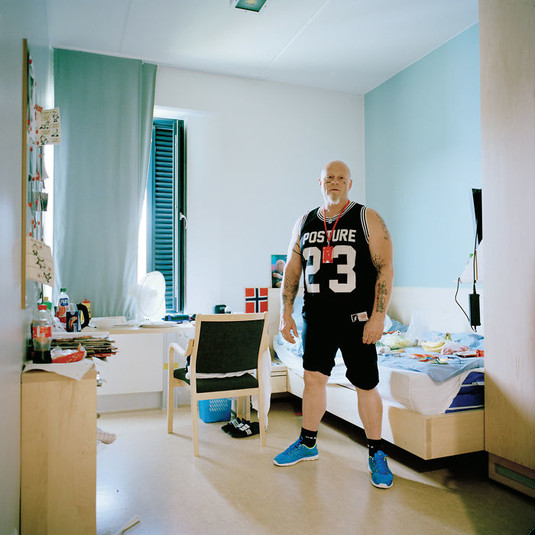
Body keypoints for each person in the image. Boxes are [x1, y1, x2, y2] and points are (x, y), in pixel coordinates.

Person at [273, 160, 395, 489]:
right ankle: (308, 443)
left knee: (366, 384)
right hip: (317, 318)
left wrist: (379, 316)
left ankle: (376, 451)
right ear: (321, 182)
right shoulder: (305, 221)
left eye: (341, 177)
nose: (335, 182)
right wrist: (286, 313)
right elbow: (292, 270)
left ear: (350, 184)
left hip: (357, 319)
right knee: (313, 379)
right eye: (329, 177)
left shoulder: (367, 217)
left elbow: (385, 267)